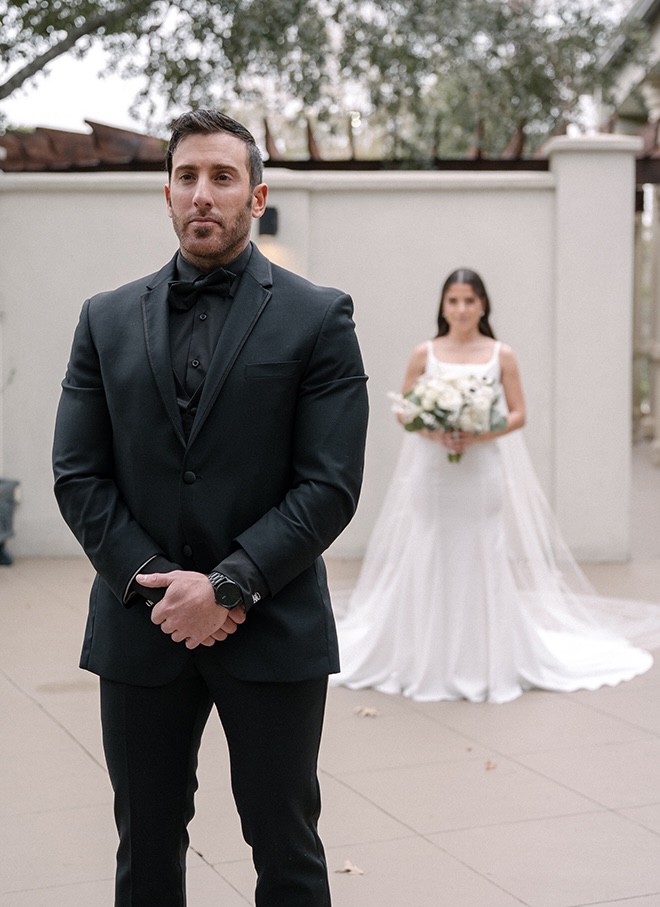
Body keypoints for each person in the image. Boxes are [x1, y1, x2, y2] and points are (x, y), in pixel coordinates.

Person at [52, 109, 369, 907]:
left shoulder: (320, 316)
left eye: (223, 177)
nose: (204, 193)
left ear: (255, 196)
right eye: (188, 176)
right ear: (166, 194)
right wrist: (163, 585)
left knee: (285, 841)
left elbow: (328, 482)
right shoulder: (104, 317)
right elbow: (78, 474)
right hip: (140, 626)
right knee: (146, 846)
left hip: (273, 622)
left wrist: (227, 586)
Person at [331, 267, 660, 704]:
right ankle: (423, 656)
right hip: (435, 474)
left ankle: (484, 657)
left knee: (480, 552)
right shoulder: (424, 352)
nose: (462, 309)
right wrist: (435, 430)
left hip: (480, 473)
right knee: (429, 548)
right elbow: (403, 409)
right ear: (443, 306)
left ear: (482, 305)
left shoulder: (500, 354)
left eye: (470, 300)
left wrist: (479, 430)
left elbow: (519, 413)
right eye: (453, 300)